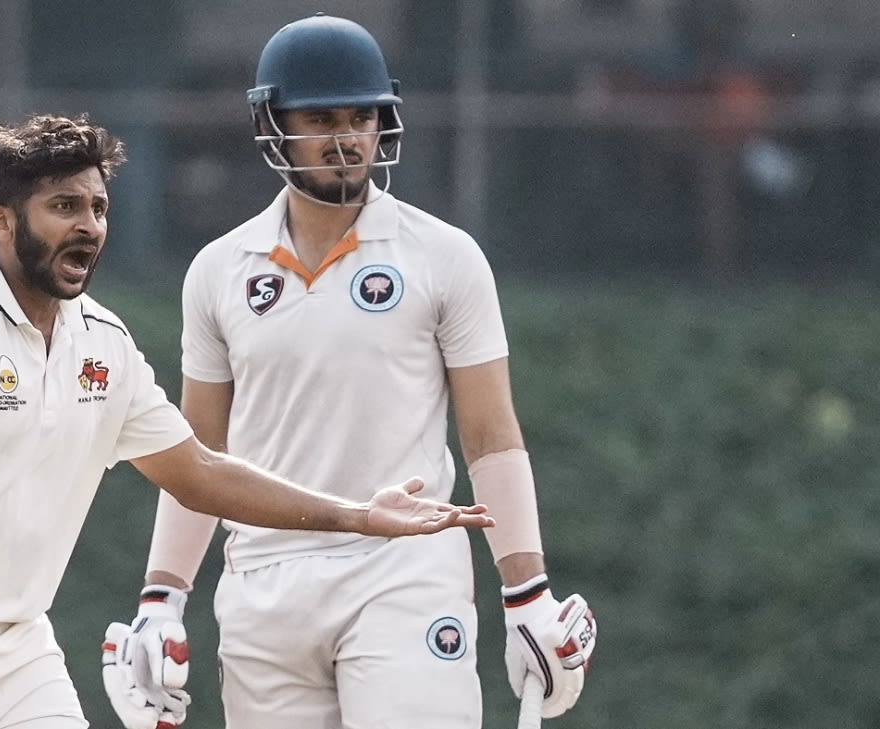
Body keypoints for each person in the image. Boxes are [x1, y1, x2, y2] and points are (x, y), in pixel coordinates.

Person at [0, 112, 495, 729]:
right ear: (1, 221)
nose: (88, 226)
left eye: (98, 207)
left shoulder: (102, 344)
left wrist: (358, 516)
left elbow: (198, 472)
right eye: (63, 206)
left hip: (13, 649)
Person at [101, 14, 598, 729]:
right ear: (274, 122)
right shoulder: (218, 270)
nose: (347, 136)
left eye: (363, 115)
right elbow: (197, 457)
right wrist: (161, 599)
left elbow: (491, 435)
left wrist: (528, 590)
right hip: (263, 582)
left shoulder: (444, 256)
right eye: (322, 117)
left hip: (404, 569)